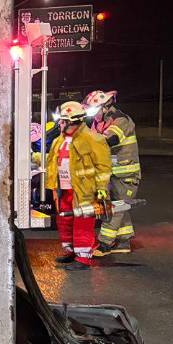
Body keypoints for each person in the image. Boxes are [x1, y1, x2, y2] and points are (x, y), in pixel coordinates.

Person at [45, 101, 112, 270]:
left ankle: (83, 259)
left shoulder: (93, 139)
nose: (59, 124)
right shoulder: (60, 140)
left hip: (84, 191)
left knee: (83, 223)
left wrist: (102, 189)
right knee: (65, 220)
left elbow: (103, 167)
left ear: (72, 122)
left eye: (63, 121)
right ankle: (72, 252)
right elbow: (51, 161)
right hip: (64, 190)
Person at [84, 90, 140, 255]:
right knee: (119, 206)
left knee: (115, 208)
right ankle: (123, 241)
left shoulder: (121, 120)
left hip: (126, 173)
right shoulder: (97, 122)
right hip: (111, 173)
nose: (93, 115)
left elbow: (110, 140)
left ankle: (105, 243)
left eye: (94, 110)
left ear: (105, 107)